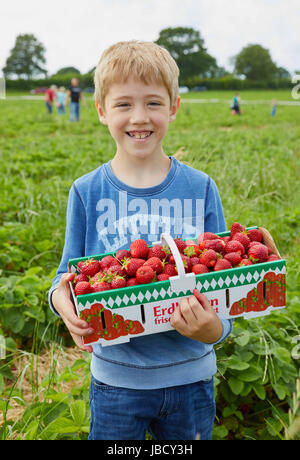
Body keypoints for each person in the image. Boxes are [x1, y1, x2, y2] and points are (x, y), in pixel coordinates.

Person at [48, 40, 233, 441]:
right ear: (100, 110)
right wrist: (64, 305)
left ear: (174, 107)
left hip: (192, 377)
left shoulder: (201, 188)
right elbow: (65, 277)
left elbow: (227, 283)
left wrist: (214, 330)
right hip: (116, 383)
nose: (139, 116)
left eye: (152, 103)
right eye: (123, 104)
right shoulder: (86, 192)